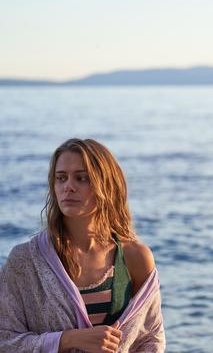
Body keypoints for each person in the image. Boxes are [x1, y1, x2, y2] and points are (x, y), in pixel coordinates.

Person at [0, 138, 165, 352]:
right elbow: (4, 340)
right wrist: (66, 340)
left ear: (106, 185)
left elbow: (151, 339)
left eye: (82, 178)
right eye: (61, 178)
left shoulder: (135, 257)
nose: (68, 186)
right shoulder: (25, 261)